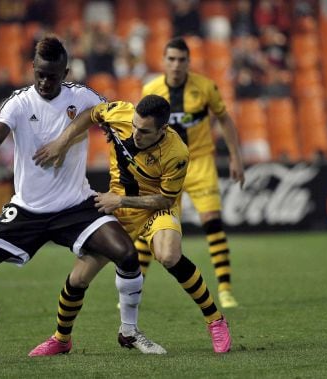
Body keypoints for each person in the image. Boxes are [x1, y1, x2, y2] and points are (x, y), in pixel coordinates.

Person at [0, 36, 163, 362]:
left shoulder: (83, 97)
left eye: (52, 76)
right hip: (28, 209)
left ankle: (129, 332)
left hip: (75, 205)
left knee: (127, 255)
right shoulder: (18, 103)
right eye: (40, 74)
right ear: (33, 68)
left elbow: (114, 117)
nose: (45, 82)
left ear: (65, 72)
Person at [33, 95, 232, 353]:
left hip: (154, 207)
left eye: (145, 131)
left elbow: (164, 199)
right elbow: (92, 114)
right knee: (79, 277)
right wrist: (62, 142)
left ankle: (215, 320)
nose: (136, 133)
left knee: (169, 255)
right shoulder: (121, 114)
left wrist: (121, 200)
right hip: (117, 206)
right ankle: (61, 339)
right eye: (135, 126)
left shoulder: (177, 152)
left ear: (163, 129)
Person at [140, 37, 245, 308]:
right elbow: (141, 130)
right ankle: (134, 288)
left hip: (200, 162)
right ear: (163, 61)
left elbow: (224, 118)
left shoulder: (205, 87)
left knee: (212, 222)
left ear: (189, 62)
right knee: (151, 225)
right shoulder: (151, 89)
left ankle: (225, 290)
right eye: (171, 59)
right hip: (166, 167)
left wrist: (235, 156)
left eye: (181, 59)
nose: (176, 65)